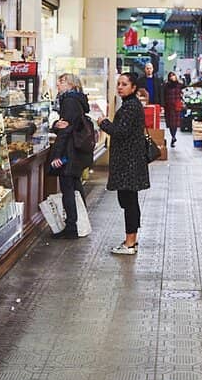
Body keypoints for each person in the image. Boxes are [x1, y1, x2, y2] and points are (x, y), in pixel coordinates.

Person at [98, 69, 150, 255]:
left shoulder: (130, 107)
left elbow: (121, 132)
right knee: (129, 200)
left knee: (128, 201)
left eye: (124, 84)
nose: (120, 87)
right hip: (130, 161)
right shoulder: (131, 104)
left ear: (134, 87)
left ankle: (130, 243)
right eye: (119, 84)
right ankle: (131, 240)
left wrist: (104, 123)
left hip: (129, 162)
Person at [48, 71, 95, 239]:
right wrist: (56, 125)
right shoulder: (78, 100)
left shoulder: (68, 101)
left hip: (68, 152)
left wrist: (57, 155)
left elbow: (65, 131)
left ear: (69, 84)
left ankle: (71, 227)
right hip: (76, 152)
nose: (58, 86)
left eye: (60, 82)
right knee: (74, 185)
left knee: (67, 187)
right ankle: (79, 221)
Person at [163, 71, 183, 147]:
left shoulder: (179, 85)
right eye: (170, 76)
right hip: (168, 106)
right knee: (171, 123)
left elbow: (184, 91)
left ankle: (173, 136)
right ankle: (173, 136)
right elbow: (164, 95)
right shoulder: (166, 86)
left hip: (176, 106)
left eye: (173, 75)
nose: (172, 77)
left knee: (175, 124)